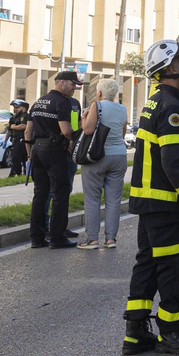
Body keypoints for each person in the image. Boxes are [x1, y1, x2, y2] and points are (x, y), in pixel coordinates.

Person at [122, 38, 179, 356]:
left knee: (147, 263)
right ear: (173, 67)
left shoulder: (157, 101)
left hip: (149, 202)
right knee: (175, 266)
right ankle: (170, 333)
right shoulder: (173, 107)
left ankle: (136, 333)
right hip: (165, 203)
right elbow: (174, 163)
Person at [28, 72, 82, 248]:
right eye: (72, 84)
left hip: (37, 150)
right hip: (54, 150)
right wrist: (78, 138)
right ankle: (58, 237)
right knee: (60, 192)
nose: (74, 88)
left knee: (40, 193)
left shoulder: (39, 101)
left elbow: (28, 129)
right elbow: (66, 131)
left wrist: (29, 152)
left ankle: (37, 237)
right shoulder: (62, 102)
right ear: (62, 82)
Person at [78, 80, 128, 250]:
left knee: (92, 199)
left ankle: (92, 239)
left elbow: (88, 130)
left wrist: (84, 118)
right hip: (119, 156)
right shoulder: (122, 109)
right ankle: (110, 239)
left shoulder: (96, 106)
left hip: (97, 156)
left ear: (99, 93)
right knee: (114, 199)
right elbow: (122, 133)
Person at [6, 100, 30, 177]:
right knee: (15, 157)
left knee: (24, 158)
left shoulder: (26, 116)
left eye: (17, 107)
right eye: (14, 107)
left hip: (24, 140)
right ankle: (17, 173)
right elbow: (9, 130)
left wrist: (13, 127)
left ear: (24, 108)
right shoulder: (13, 118)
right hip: (15, 140)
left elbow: (24, 126)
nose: (15, 109)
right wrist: (5, 141)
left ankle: (25, 173)